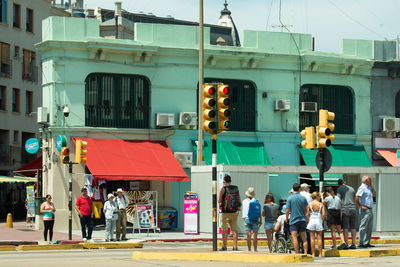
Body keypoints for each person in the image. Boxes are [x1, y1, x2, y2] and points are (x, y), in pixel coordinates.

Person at [218, 175, 241, 251]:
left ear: (224, 181)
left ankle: (225, 246)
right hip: (234, 212)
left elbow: (219, 200)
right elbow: (239, 200)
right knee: (234, 230)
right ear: (230, 181)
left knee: (224, 230)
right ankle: (235, 246)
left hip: (225, 213)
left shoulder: (223, 189)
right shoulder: (235, 188)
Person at [285, 183, 308, 254]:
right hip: (302, 219)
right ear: (299, 189)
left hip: (293, 220)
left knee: (294, 238)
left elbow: (287, 210)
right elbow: (307, 208)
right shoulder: (303, 198)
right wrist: (306, 218)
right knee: (304, 238)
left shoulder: (290, 198)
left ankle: (297, 253)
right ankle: (305, 253)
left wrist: (286, 218)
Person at [355, 175, 376, 248]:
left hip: (370, 209)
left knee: (369, 227)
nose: (370, 181)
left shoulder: (368, 188)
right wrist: (360, 206)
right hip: (365, 209)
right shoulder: (362, 188)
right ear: (366, 180)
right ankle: (360, 243)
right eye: (369, 179)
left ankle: (367, 242)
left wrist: (372, 187)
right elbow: (357, 197)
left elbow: (374, 195)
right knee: (363, 226)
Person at [337, 178, 357, 249]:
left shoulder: (340, 189)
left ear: (338, 184)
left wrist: (339, 211)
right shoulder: (351, 188)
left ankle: (346, 244)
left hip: (345, 208)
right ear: (344, 182)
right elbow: (355, 199)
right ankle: (353, 243)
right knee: (353, 227)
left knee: (345, 227)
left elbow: (338, 200)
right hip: (353, 208)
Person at [306, 192, 325, 258]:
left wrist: (308, 220)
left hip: (311, 220)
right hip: (318, 220)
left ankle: (313, 253)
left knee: (312, 238)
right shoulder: (321, 204)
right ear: (317, 197)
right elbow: (323, 214)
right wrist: (322, 221)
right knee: (319, 238)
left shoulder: (309, 204)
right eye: (319, 196)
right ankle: (320, 254)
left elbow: (307, 214)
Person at [242, 187, 262, 252]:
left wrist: (244, 220)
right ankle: (255, 249)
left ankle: (249, 249)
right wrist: (260, 220)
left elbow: (244, 212)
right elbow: (259, 211)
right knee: (255, 235)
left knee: (248, 235)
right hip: (255, 219)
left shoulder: (244, 201)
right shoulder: (256, 201)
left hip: (247, 219)